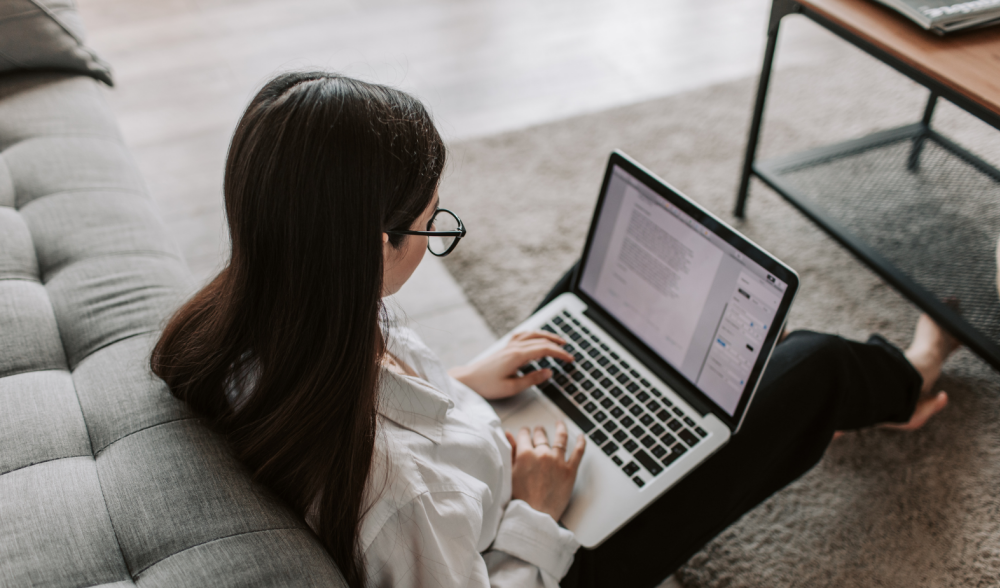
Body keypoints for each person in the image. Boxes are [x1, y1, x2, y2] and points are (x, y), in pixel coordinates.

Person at [151, 72, 959, 588]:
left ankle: (736, 392)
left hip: (481, 463)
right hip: (548, 549)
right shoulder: (400, 500)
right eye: (433, 229)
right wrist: (539, 507)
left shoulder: (261, 316)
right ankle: (909, 378)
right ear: (372, 246)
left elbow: (375, 410)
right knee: (809, 367)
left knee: (588, 301)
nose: (436, 240)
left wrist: (463, 384)